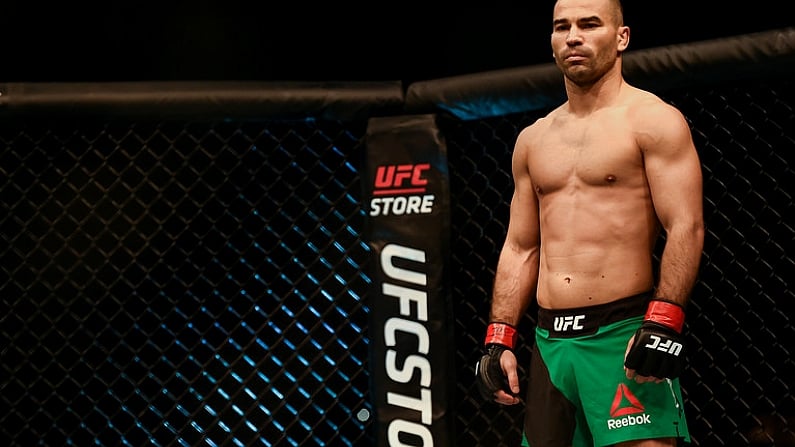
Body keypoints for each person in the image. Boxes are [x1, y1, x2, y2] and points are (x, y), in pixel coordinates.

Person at [473, 0, 705, 445]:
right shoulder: (533, 139)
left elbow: (686, 227)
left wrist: (664, 322)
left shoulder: (653, 120)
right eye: (562, 26)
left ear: (622, 38)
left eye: (589, 24)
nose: (573, 36)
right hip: (549, 345)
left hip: (622, 337)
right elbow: (520, 246)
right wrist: (499, 336)